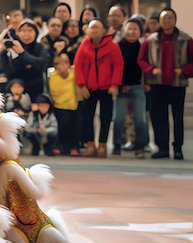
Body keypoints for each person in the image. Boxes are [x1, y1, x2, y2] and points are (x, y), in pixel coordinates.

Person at [138, 7, 193, 160]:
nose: (167, 21)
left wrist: (184, 70)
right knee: (158, 117)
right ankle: (162, 148)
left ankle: (178, 148)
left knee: (177, 117)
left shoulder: (186, 39)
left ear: (175, 20)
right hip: (157, 84)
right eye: (164, 18)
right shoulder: (151, 40)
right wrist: (151, 70)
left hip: (178, 84)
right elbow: (141, 59)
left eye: (170, 18)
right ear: (160, 21)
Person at [74, 18, 123, 158]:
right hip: (89, 88)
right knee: (87, 116)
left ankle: (102, 145)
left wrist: (114, 84)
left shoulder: (112, 45)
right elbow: (78, 66)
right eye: (92, 28)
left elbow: (118, 66)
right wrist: (82, 85)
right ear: (88, 30)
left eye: (97, 27)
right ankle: (90, 145)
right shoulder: (84, 45)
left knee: (106, 117)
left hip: (107, 88)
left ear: (104, 31)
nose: (94, 30)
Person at [112, 18, 149, 158]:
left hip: (138, 86)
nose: (132, 32)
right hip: (121, 88)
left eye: (135, 29)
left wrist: (147, 83)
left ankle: (140, 146)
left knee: (140, 118)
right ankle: (116, 145)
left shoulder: (143, 46)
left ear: (140, 32)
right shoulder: (117, 46)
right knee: (118, 118)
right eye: (130, 28)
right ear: (124, 30)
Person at [0, 18, 48, 101]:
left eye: (30, 30)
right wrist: (2, 52)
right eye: (23, 30)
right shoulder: (13, 46)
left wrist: (22, 53)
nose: (26, 34)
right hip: (15, 90)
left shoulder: (40, 47)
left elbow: (41, 64)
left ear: (36, 32)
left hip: (36, 89)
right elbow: (4, 68)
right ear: (18, 33)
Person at [49, 52, 80, 156]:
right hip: (59, 106)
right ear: (55, 65)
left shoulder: (74, 73)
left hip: (73, 104)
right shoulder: (52, 76)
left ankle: (74, 147)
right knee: (62, 126)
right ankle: (60, 146)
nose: (63, 65)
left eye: (66, 62)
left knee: (75, 126)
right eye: (60, 63)